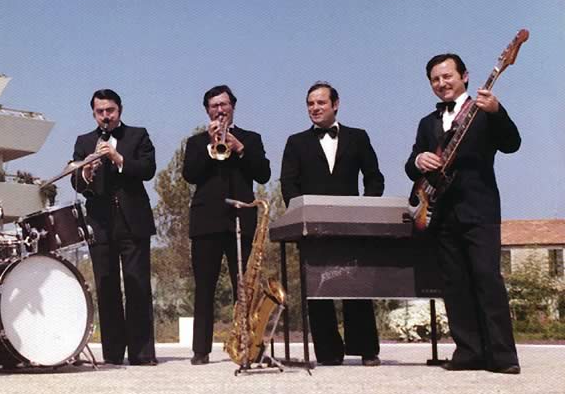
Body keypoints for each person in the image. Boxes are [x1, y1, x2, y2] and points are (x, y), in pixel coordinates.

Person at [405, 54, 521, 374]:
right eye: (435, 79)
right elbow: (410, 165)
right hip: (440, 212)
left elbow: (512, 143)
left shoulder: (484, 112)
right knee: (454, 284)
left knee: (487, 279)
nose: (442, 83)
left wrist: (497, 111)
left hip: (479, 210)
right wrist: (419, 160)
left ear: (465, 76)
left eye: (447, 76)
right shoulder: (427, 123)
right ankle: (469, 352)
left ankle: (502, 356)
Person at [281, 82, 385, 366]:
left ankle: (366, 349)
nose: (315, 108)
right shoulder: (295, 142)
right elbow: (288, 184)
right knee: (318, 288)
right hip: (312, 227)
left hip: (353, 225)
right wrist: (300, 214)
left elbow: (374, 177)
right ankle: (328, 352)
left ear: (335, 104)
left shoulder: (358, 137)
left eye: (321, 103)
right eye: (310, 104)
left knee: (357, 285)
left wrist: (366, 210)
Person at [182, 85, 270, 365]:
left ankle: (246, 345)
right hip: (206, 221)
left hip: (241, 217)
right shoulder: (196, 142)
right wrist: (211, 147)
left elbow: (264, 174)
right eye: (214, 106)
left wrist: (240, 149)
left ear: (233, 106)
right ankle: (201, 350)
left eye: (224, 104)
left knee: (243, 287)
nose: (219, 110)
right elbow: (190, 175)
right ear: (207, 111)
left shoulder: (251, 139)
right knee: (204, 286)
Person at [72, 89, 157, 365]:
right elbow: (75, 182)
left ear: (119, 110)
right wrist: (86, 172)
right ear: (93, 114)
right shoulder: (84, 141)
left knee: (138, 285)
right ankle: (113, 354)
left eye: (110, 110)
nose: (105, 116)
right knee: (106, 287)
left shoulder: (138, 135)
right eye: (100, 112)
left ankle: (142, 353)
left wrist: (118, 159)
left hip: (133, 221)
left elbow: (148, 169)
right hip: (100, 223)